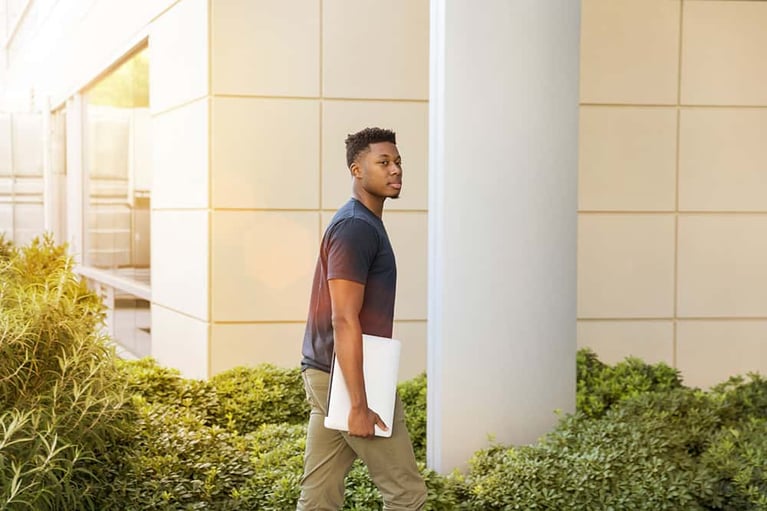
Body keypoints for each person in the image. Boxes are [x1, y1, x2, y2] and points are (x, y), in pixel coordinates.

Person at [297, 127, 427, 510]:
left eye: (398, 162)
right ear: (357, 170)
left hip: (329, 371)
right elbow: (343, 319)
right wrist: (358, 403)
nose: (395, 170)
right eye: (383, 162)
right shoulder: (355, 227)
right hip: (349, 376)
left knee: (319, 497)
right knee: (406, 495)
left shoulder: (363, 223)